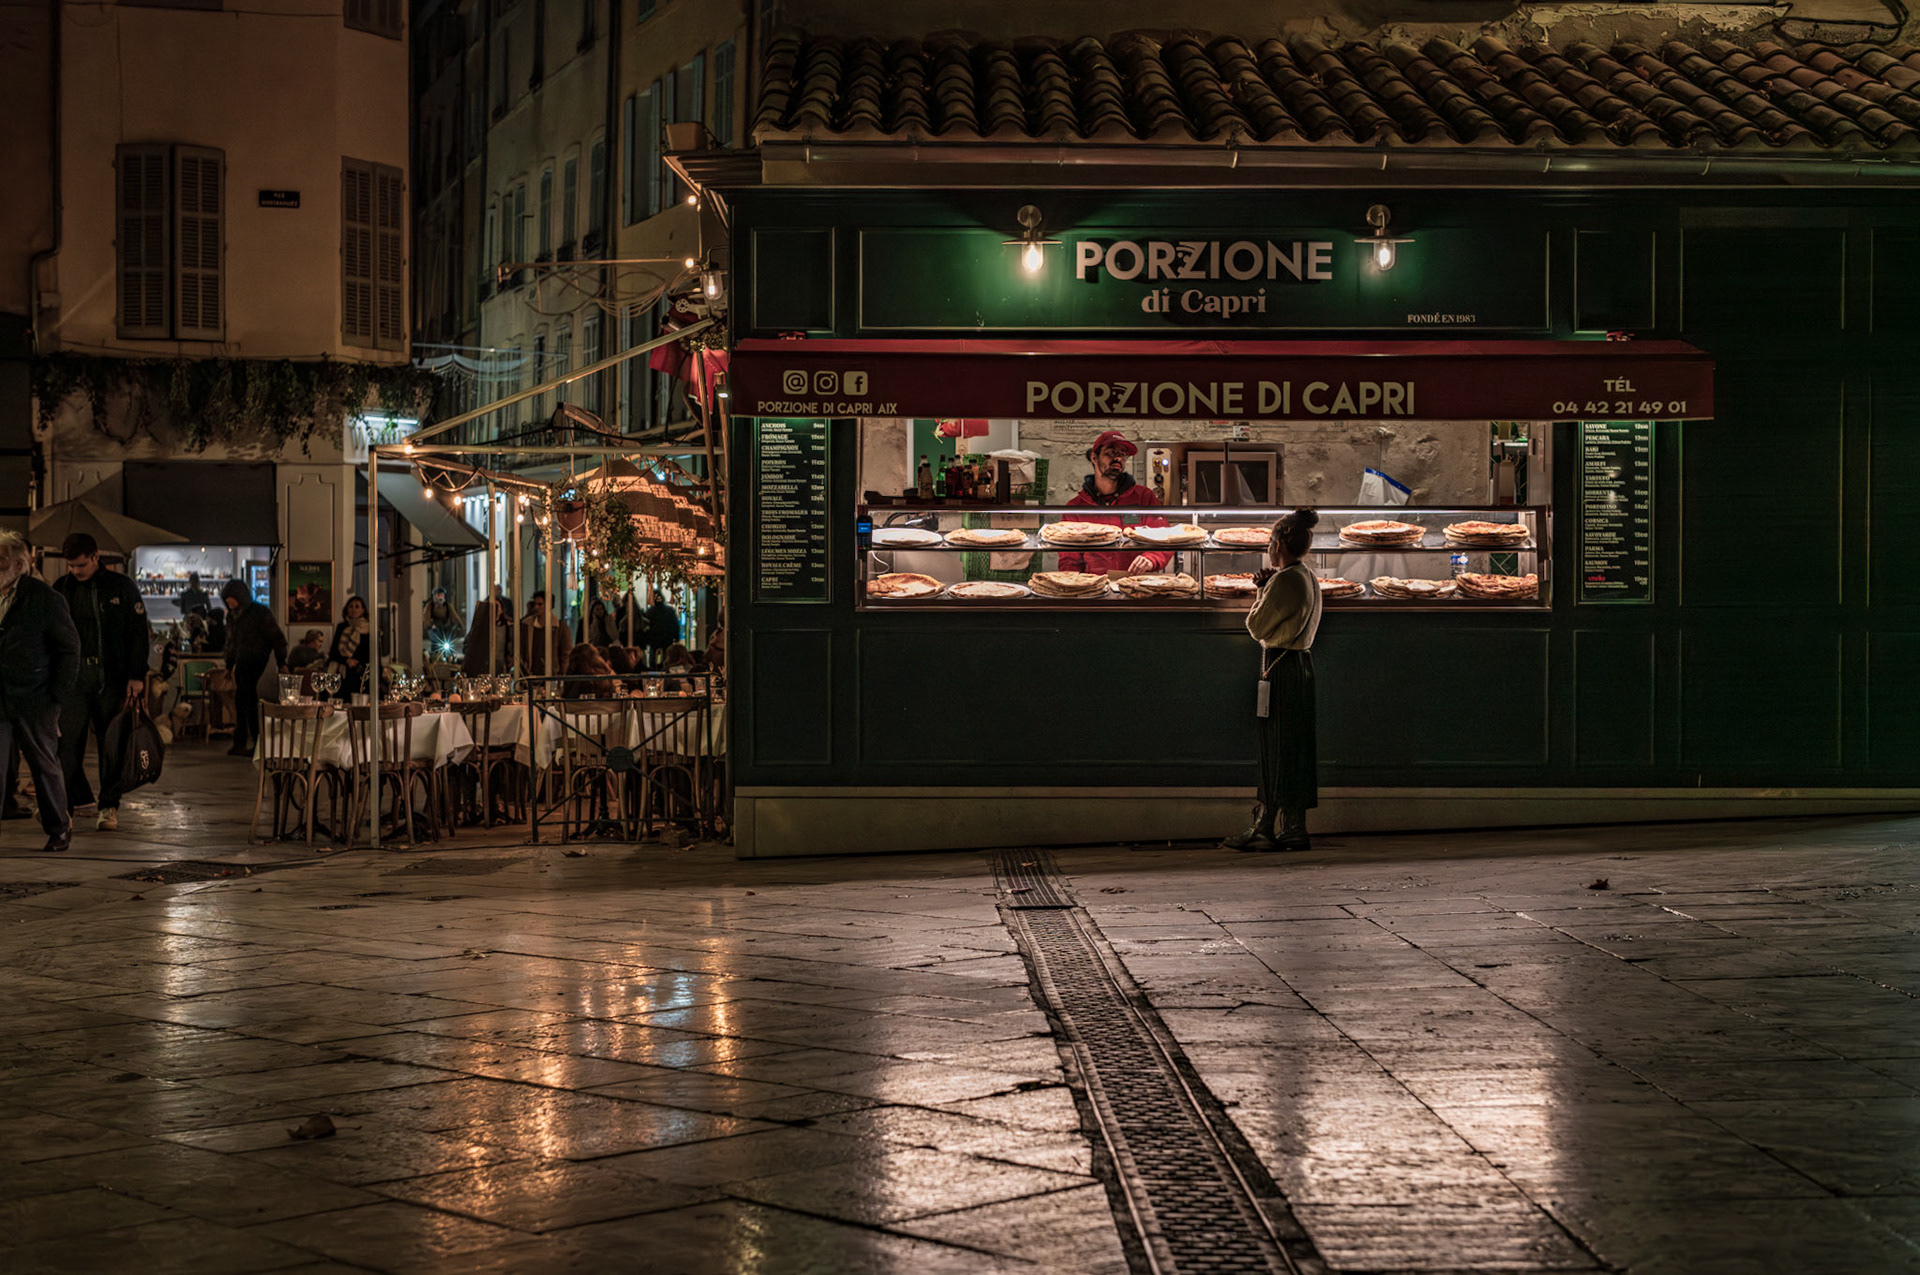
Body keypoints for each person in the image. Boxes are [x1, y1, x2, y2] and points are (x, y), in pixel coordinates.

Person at [1223, 509, 1323, 854]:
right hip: (1300, 667)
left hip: (1280, 668)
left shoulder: (1284, 580)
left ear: (1278, 544)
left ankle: (1264, 826)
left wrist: (1261, 591)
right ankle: (1294, 826)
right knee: (1294, 748)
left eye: (1270, 541)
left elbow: (1256, 627)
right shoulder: (1306, 575)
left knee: (1275, 748)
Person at [53, 533, 151, 832]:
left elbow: (138, 633)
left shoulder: (121, 587)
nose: (75, 571)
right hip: (73, 679)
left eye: (80, 565)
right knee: (67, 746)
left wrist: (137, 675)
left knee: (113, 744)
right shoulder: (61, 589)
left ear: (96, 557)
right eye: (70, 565)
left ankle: (109, 806)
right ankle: (64, 809)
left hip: (112, 678)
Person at [0, 530, 79, 852]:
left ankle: (59, 827)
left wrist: (57, 699)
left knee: (44, 764)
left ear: (18, 565)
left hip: (36, 697)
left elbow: (69, 650)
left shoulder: (45, 598)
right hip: (0, 695)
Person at [1055, 430, 1173, 576]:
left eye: (1122, 454)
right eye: (1111, 453)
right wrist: (1073, 585)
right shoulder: (1076, 508)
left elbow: (1165, 537)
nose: (1118, 458)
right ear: (1094, 457)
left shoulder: (1144, 497)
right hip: (1095, 587)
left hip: (1136, 585)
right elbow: (1069, 560)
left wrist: (1152, 558)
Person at [222, 578, 287, 757]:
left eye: (231, 598)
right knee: (245, 699)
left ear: (240, 596)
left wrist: (282, 662)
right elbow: (232, 643)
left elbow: (277, 638)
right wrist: (229, 665)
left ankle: (249, 742)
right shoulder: (233, 615)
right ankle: (250, 742)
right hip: (243, 660)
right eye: (226, 599)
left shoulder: (259, 613)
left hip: (256, 658)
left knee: (245, 698)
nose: (229, 602)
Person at [519, 590, 572, 677]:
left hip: (553, 675)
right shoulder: (527, 625)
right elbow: (521, 650)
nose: (536, 607)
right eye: (535, 604)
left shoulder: (560, 627)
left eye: (540, 604)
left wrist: (562, 673)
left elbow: (565, 653)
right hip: (531, 674)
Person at [460, 595, 513, 677]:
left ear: (501, 609)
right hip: (483, 664)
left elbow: (510, 644)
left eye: (497, 607)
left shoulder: (506, 626)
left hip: (500, 664)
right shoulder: (481, 626)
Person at [328, 597, 371, 698]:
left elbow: (369, 652)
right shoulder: (342, 627)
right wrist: (347, 660)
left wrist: (356, 661)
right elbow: (333, 651)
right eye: (351, 606)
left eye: (357, 607)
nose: (353, 609)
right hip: (341, 669)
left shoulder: (368, 628)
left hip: (360, 672)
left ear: (363, 610)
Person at [423, 587, 464, 661]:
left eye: (442, 595)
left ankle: (450, 657)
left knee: (449, 641)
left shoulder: (448, 606)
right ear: (434, 596)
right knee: (435, 641)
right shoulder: (430, 606)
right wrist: (430, 625)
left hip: (445, 628)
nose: (440, 597)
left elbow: (455, 616)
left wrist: (460, 625)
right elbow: (426, 618)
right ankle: (434, 656)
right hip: (434, 628)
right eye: (438, 595)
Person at [643, 589, 680, 669]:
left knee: (654, 660)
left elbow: (647, 627)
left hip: (655, 640)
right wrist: (676, 638)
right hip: (667, 639)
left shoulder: (650, 612)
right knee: (667, 658)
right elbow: (675, 625)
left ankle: (655, 672)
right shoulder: (669, 610)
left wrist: (647, 640)